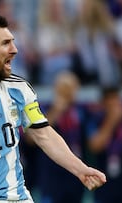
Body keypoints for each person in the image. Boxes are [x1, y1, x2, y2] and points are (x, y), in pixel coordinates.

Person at [0, 13, 106, 203]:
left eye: (13, 42)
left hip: (17, 196)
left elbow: (44, 134)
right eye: (5, 43)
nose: (14, 50)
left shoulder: (19, 89)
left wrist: (80, 170)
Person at [86, 87, 122, 203]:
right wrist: (112, 121)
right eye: (109, 100)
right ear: (103, 103)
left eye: (116, 99)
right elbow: (95, 146)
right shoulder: (96, 121)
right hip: (102, 184)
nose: (114, 104)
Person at [36, 72, 85, 203]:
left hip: (75, 176)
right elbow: (34, 136)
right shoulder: (44, 108)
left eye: (70, 89)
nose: (67, 93)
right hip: (52, 176)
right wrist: (57, 110)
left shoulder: (81, 111)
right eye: (64, 89)